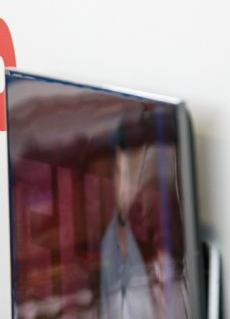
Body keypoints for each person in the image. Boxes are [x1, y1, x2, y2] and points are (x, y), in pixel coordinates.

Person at [100, 120, 156, 319]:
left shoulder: (156, 242)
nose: (125, 189)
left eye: (131, 176)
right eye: (120, 174)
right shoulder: (107, 244)